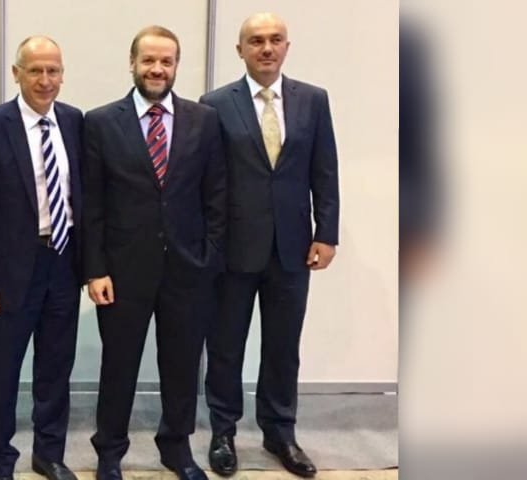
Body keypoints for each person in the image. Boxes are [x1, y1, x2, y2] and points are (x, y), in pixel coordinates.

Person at [82, 25, 226, 480]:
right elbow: (92, 204)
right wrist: (95, 270)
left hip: (188, 269)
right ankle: (109, 451)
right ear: (132, 63)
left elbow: (217, 194)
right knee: (119, 365)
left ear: (177, 66)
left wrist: (209, 256)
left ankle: (176, 447)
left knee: (182, 365)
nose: (157, 69)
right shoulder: (101, 122)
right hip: (122, 272)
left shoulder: (204, 120)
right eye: (148, 60)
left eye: (166, 61)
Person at [199, 13, 339, 478]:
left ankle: (280, 432)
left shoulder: (312, 100)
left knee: (283, 346)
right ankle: (223, 432)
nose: (266, 48)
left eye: (275, 40)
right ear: (240, 50)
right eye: (256, 41)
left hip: (293, 248)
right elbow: (207, 181)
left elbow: (325, 170)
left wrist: (327, 232)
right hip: (233, 249)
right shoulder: (215, 105)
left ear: (287, 47)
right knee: (226, 345)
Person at [0, 36, 83, 480]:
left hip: (63, 262)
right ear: (16, 73)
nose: (45, 79)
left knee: (56, 368)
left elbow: (83, 198)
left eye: (53, 70)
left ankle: (49, 453)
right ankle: (0, 460)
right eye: (35, 70)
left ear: (62, 74)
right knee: (1, 374)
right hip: (8, 271)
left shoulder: (74, 121)